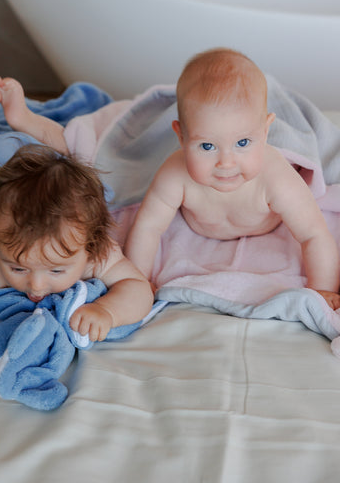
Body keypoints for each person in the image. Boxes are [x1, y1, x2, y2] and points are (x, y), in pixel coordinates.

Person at [0, 61, 154, 341]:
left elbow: (139, 289)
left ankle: (9, 116)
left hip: (76, 172)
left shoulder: (97, 255)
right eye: (18, 267)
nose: (35, 284)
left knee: (69, 154)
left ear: (91, 248)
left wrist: (107, 311)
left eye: (57, 269)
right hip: (3, 160)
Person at [124, 47, 340, 309]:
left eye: (243, 142)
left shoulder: (276, 178)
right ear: (181, 137)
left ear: (265, 130)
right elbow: (147, 228)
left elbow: (314, 235)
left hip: (266, 220)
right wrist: (136, 281)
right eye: (207, 146)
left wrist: (322, 289)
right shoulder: (174, 175)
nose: (226, 163)